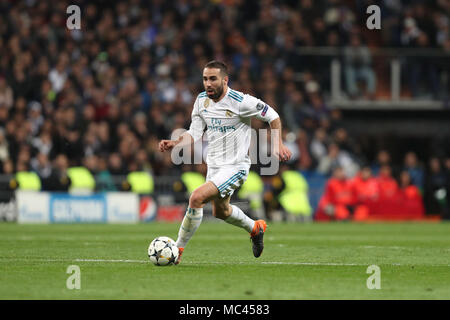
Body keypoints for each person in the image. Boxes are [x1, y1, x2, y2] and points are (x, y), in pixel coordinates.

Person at [158, 60, 292, 264]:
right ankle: (255, 228)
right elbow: (194, 132)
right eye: (205, 79)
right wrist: (176, 142)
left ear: (225, 80)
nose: (208, 83)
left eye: (213, 79)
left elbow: (272, 116)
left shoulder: (241, 101)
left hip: (236, 167)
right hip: (214, 166)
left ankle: (177, 249)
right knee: (221, 212)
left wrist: (277, 144)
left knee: (196, 197)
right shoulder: (201, 100)